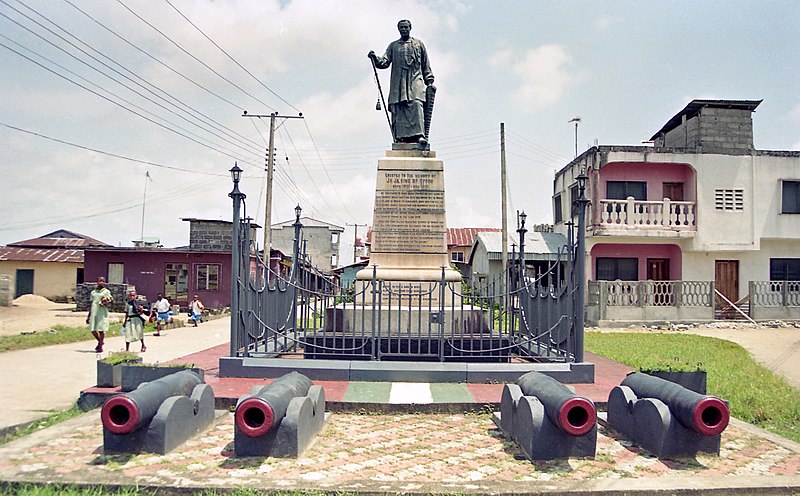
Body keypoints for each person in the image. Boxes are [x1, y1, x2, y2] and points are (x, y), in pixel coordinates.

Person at [368, 19, 435, 145]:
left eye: (406, 27)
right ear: (398, 29)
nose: (404, 30)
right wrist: (375, 58)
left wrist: (429, 80)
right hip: (398, 83)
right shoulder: (393, 46)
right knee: (400, 108)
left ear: (410, 28)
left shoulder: (418, 44)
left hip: (415, 79)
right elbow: (384, 62)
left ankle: (419, 136)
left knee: (416, 103)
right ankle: (401, 138)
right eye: (401, 28)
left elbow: (426, 64)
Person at [85, 277, 112, 353]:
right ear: (97, 282)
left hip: (102, 311)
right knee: (93, 329)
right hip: (94, 311)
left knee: (101, 329)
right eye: (100, 281)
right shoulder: (93, 292)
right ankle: (100, 341)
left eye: (103, 281)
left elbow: (109, 302)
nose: (101, 282)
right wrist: (88, 316)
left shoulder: (106, 292)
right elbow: (92, 303)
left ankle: (100, 346)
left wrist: (105, 302)